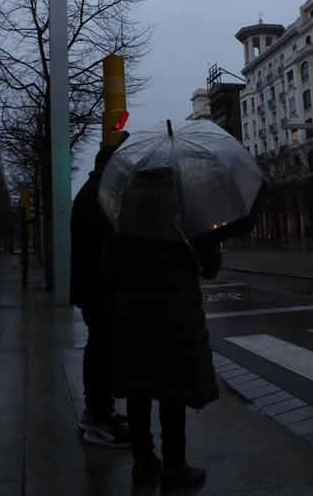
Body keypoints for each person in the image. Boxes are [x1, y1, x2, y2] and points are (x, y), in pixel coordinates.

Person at [107, 233, 222, 489]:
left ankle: (143, 457)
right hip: (175, 309)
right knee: (173, 386)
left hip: (133, 311)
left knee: (139, 386)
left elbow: (109, 268)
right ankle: (175, 464)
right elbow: (209, 266)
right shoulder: (183, 209)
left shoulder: (124, 213)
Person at [70, 143, 130, 448]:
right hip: (98, 289)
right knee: (101, 349)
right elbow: (107, 247)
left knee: (100, 348)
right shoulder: (98, 195)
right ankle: (99, 418)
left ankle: (99, 410)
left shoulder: (93, 190)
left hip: (93, 287)